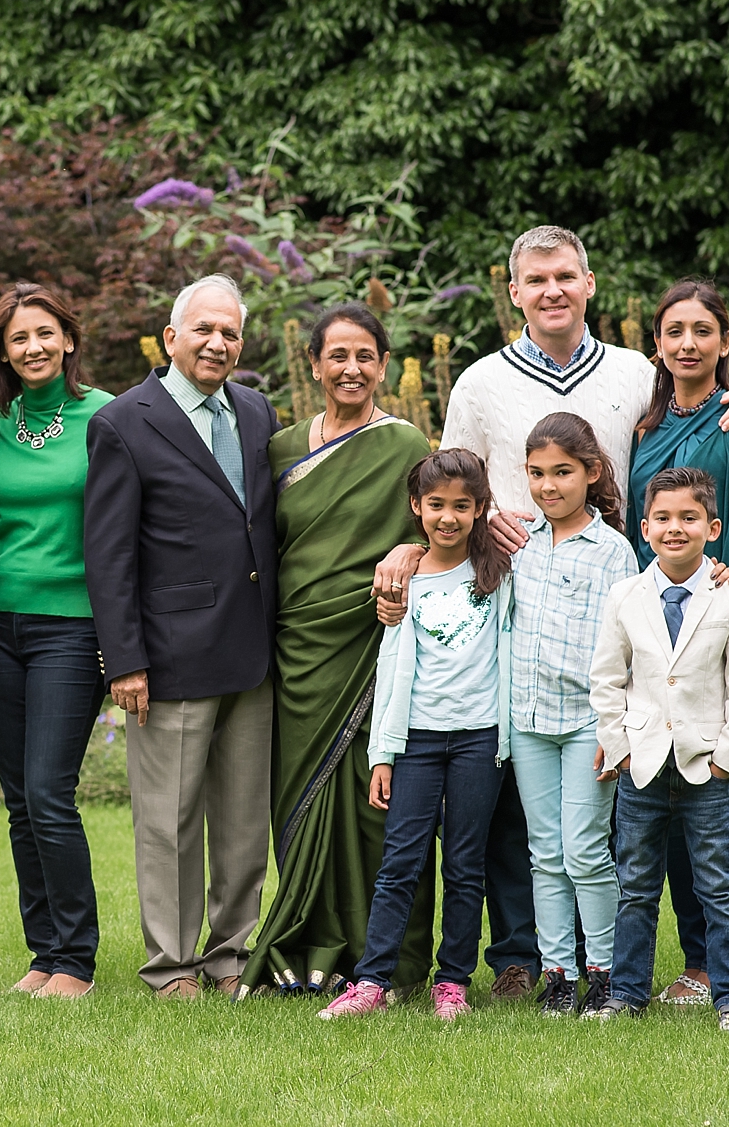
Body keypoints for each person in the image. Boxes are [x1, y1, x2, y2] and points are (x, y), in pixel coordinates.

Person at [372, 224, 729, 1002]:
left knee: (655, 802)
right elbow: (450, 493)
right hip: (516, 608)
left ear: (589, 284)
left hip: (624, 610)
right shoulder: (481, 383)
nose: (552, 290)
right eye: (535, 279)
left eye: (566, 276)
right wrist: (406, 553)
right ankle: (524, 957)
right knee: (520, 824)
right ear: (514, 291)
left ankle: (668, 962)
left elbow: (698, 407)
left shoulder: (635, 373)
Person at [84, 273, 281, 1000]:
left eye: (230, 332)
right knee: (168, 824)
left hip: (252, 654)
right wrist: (125, 661)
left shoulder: (256, 411)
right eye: (203, 330)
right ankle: (170, 966)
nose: (218, 343)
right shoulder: (125, 421)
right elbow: (107, 555)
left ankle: (230, 957)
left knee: (240, 821)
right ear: (171, 338)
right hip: (167, 659)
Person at [239, 304, 440, 1003]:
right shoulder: (283, 446)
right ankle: (304, 950)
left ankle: (385, 957)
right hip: (299, 649)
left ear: (383, 365)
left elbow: (443, 518)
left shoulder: (406, 441)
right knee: (300, 798)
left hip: (375, 643)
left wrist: (412, 547)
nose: (351, 368)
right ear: (316, 364)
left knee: (374, 802)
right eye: (338, 355)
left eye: (365, 356)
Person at [624, 280, 729, 1009]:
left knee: (720, 794)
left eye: (702, 330)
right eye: (673, 330)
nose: (687, 342)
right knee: (656, 795)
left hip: (717, 631)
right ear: (656, 343)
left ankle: (713, 962)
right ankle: (689, 957)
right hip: (648, 630)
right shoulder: (642, 428)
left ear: (726, 339)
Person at [319, 448, 513, 1022]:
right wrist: (383, 754)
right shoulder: (402, 581)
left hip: (480, 740)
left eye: (461, 506)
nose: (447, 517)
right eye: (435, 505)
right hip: (417, 742)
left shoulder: (499, 573)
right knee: (399, 862)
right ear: (415, 507)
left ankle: (452, 980)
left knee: (464, 864)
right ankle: (371, 980)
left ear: (481, 509)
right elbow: (390, 671)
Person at [0, 284, 114, 998]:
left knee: (50, 790)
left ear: (67, 338)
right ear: (3, 350)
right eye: (17, 338)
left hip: (72, 624)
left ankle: (78, 959)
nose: (32, 347)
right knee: (19, 798)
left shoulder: (106, 415)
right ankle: (44, 951)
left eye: (44, 333)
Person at [587, 467, 729, 1031]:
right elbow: (607, 678)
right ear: (645, 528)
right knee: (635, 884)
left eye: (689, 518)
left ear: (711, 527)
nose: (675, 528)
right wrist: (617, 749)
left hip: (705, 765)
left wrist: (726, 761)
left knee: (718, 884)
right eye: (663, 518)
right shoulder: (625, 597)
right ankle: (626, 994)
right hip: (640, 765)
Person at [509, 413, 637, 1019]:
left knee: (586, 848)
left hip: (589, 722)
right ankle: (557, 972)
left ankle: (606, 972)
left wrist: (615, 732)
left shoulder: (614, 551)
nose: (547, 486)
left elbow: (627, 647)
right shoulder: (519, 543)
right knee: (545, 852)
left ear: (591, 473)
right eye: (536, 473)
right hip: (528, 719)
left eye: (562, 472)